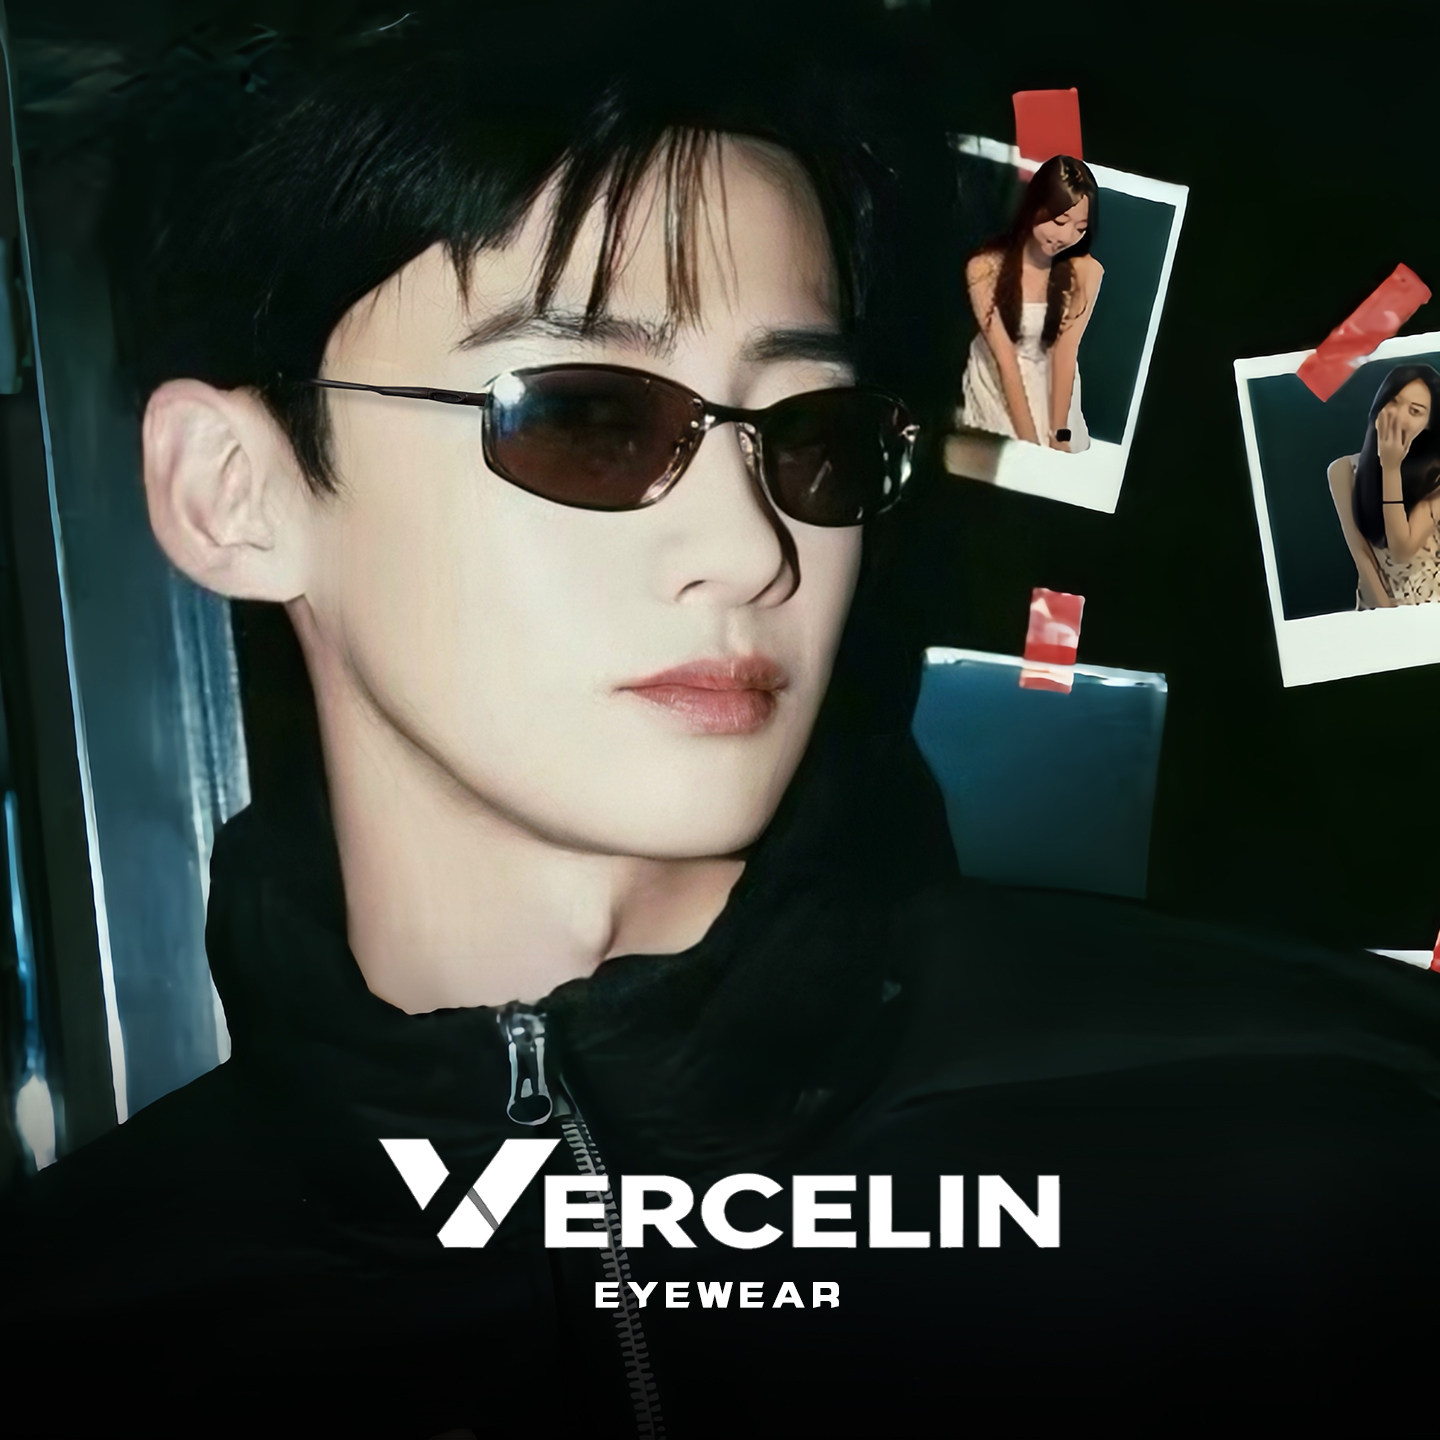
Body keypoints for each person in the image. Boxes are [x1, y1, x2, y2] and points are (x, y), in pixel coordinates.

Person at [4, 12, 1440, 1438]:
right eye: (587, 420)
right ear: (233, 494)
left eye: (813, 434)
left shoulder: (1314, 1156)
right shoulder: (88, 1334)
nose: (753, 551)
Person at [959, 154, 1102, 453]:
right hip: (998, 378)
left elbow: (1065, 354)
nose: (1066, 236)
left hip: (1052, 380)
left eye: (1080, 228)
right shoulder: (984, 268)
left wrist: (1059, 435)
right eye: (1060, 221)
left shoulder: (1085, 273)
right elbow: (1006, 360)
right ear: (1035, 207)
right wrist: (1032, 447)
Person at [1328, 363, 1440, 607]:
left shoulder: (1436, 477)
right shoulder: (1343, 470)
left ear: (1429, 424)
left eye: (1415, 411)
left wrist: (1391, 468)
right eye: (1393, 401)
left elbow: (1401, 551)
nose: (1398, 416)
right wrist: (1386, 616)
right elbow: (1361, 555)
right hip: (1376, 605)